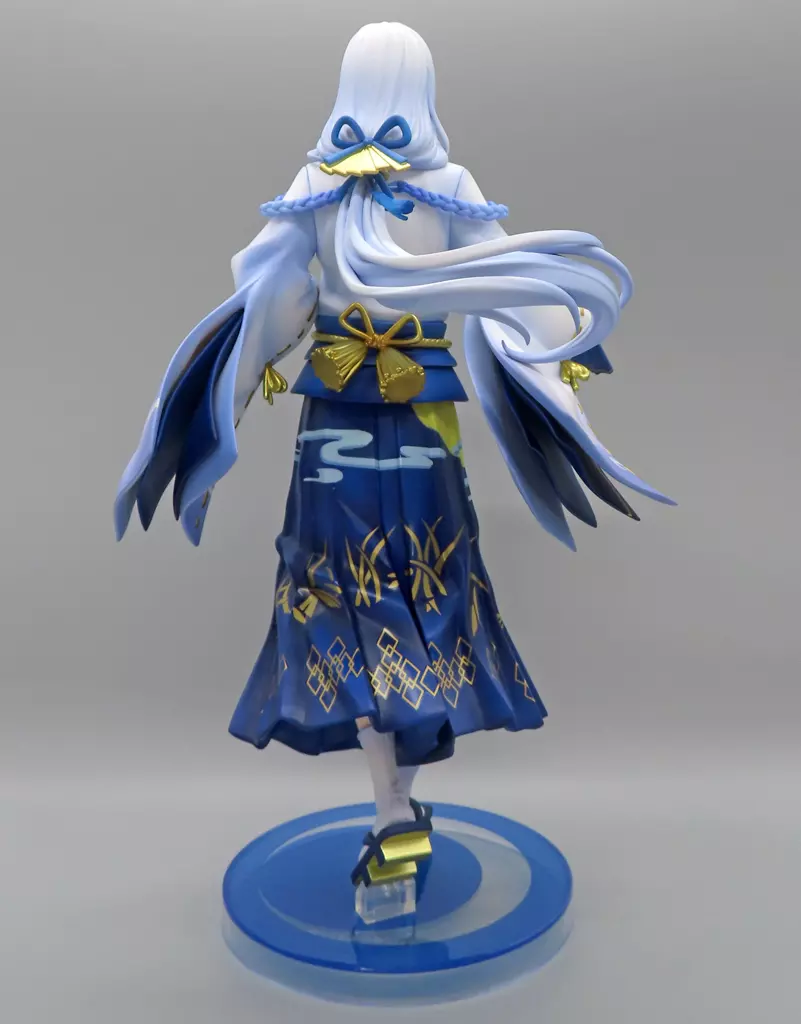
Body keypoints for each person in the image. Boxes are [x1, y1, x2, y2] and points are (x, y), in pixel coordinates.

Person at [114, 21, 673, 891]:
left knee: (364, 594)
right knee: (409, 593)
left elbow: (274, 304)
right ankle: (395, 810)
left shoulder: (334, 185)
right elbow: (501, 293)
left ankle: (391, 811)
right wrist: (558, 352)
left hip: (357, 429)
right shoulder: (423, 185)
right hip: (401, 426)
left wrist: (222, 397)